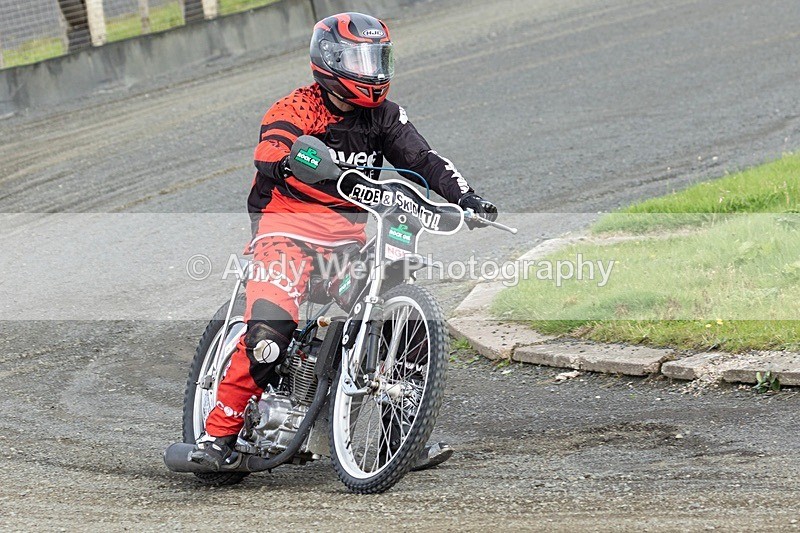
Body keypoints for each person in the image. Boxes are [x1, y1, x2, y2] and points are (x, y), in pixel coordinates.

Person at [191, 12, 498, 471]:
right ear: (329, 60)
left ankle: (400, 442)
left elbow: (425, 159)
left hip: (345, 247)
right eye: (359, 59)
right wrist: (296, 162)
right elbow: (270, 150)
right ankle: (217, 436)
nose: (372, 70)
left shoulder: (385, 117)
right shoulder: (296, 107)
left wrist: (467, 198)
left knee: (400, 325)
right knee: (269, 335)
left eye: (378, 58)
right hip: (286, 234)